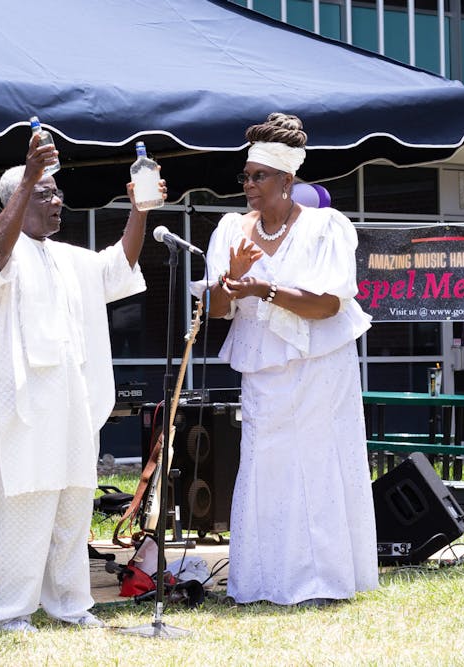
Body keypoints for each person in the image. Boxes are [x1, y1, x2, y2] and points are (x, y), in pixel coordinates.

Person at [0, 131, 162, 632]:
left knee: (72, 506)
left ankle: (71, 605)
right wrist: (28, 176)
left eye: (55, 192)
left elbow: (120, 266)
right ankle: (10, 613)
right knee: (24, 510)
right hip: (23, 408)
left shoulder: (70, 258)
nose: (57, 200)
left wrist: (140, 210)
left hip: (72, 405)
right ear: (19, 199)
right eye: (45, 193)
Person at [189, 112, 377, 606]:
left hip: (320, 366)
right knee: (265, 464)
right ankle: (261, 581)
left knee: (314, 464)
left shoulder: (325, 226)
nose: (248, 185)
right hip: (263, 369)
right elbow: (215, 310)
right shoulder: (231, 229)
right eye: (246, 176)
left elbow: (327, 304)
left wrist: (266, 289)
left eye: (258, 176)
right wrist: (230, 280)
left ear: (287, 179)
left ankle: (321, 580)